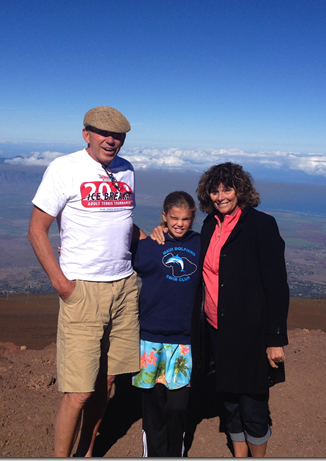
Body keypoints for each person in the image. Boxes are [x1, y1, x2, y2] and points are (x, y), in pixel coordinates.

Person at [27, 105, 142, 457]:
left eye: (117, 135)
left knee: (107, 381)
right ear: (86, 134)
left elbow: (121, 222)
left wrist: (157, 239)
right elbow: (37, 229)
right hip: (83, 290)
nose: (111, 140)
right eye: (103, 133)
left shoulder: (126, 170)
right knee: (78, 392)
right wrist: (62, 284)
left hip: (124, 287)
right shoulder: (64, 168)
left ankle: (86, 453)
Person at [154, 162, 289, 457]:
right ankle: (239, 455)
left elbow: (277, 285)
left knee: (252, 400)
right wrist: (162, 231)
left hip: (250, 332)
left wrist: (275, 338)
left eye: (227, 189)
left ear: (240, 190)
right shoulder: (210, 225)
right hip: (216, 329)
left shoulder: (261, 225)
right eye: (214, 191)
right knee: (228, 398)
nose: (220, 196)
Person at [131, 191, 201, 457]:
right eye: (174, 218)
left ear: (192, 218)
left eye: (185, 219)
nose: (179, 224)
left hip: (184, 339)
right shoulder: (151, 245)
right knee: (153, 405)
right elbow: (116, 252)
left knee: (177, 406)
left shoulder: (200, 244)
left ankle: (175, 453)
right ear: (164, 216)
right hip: (150, 338)